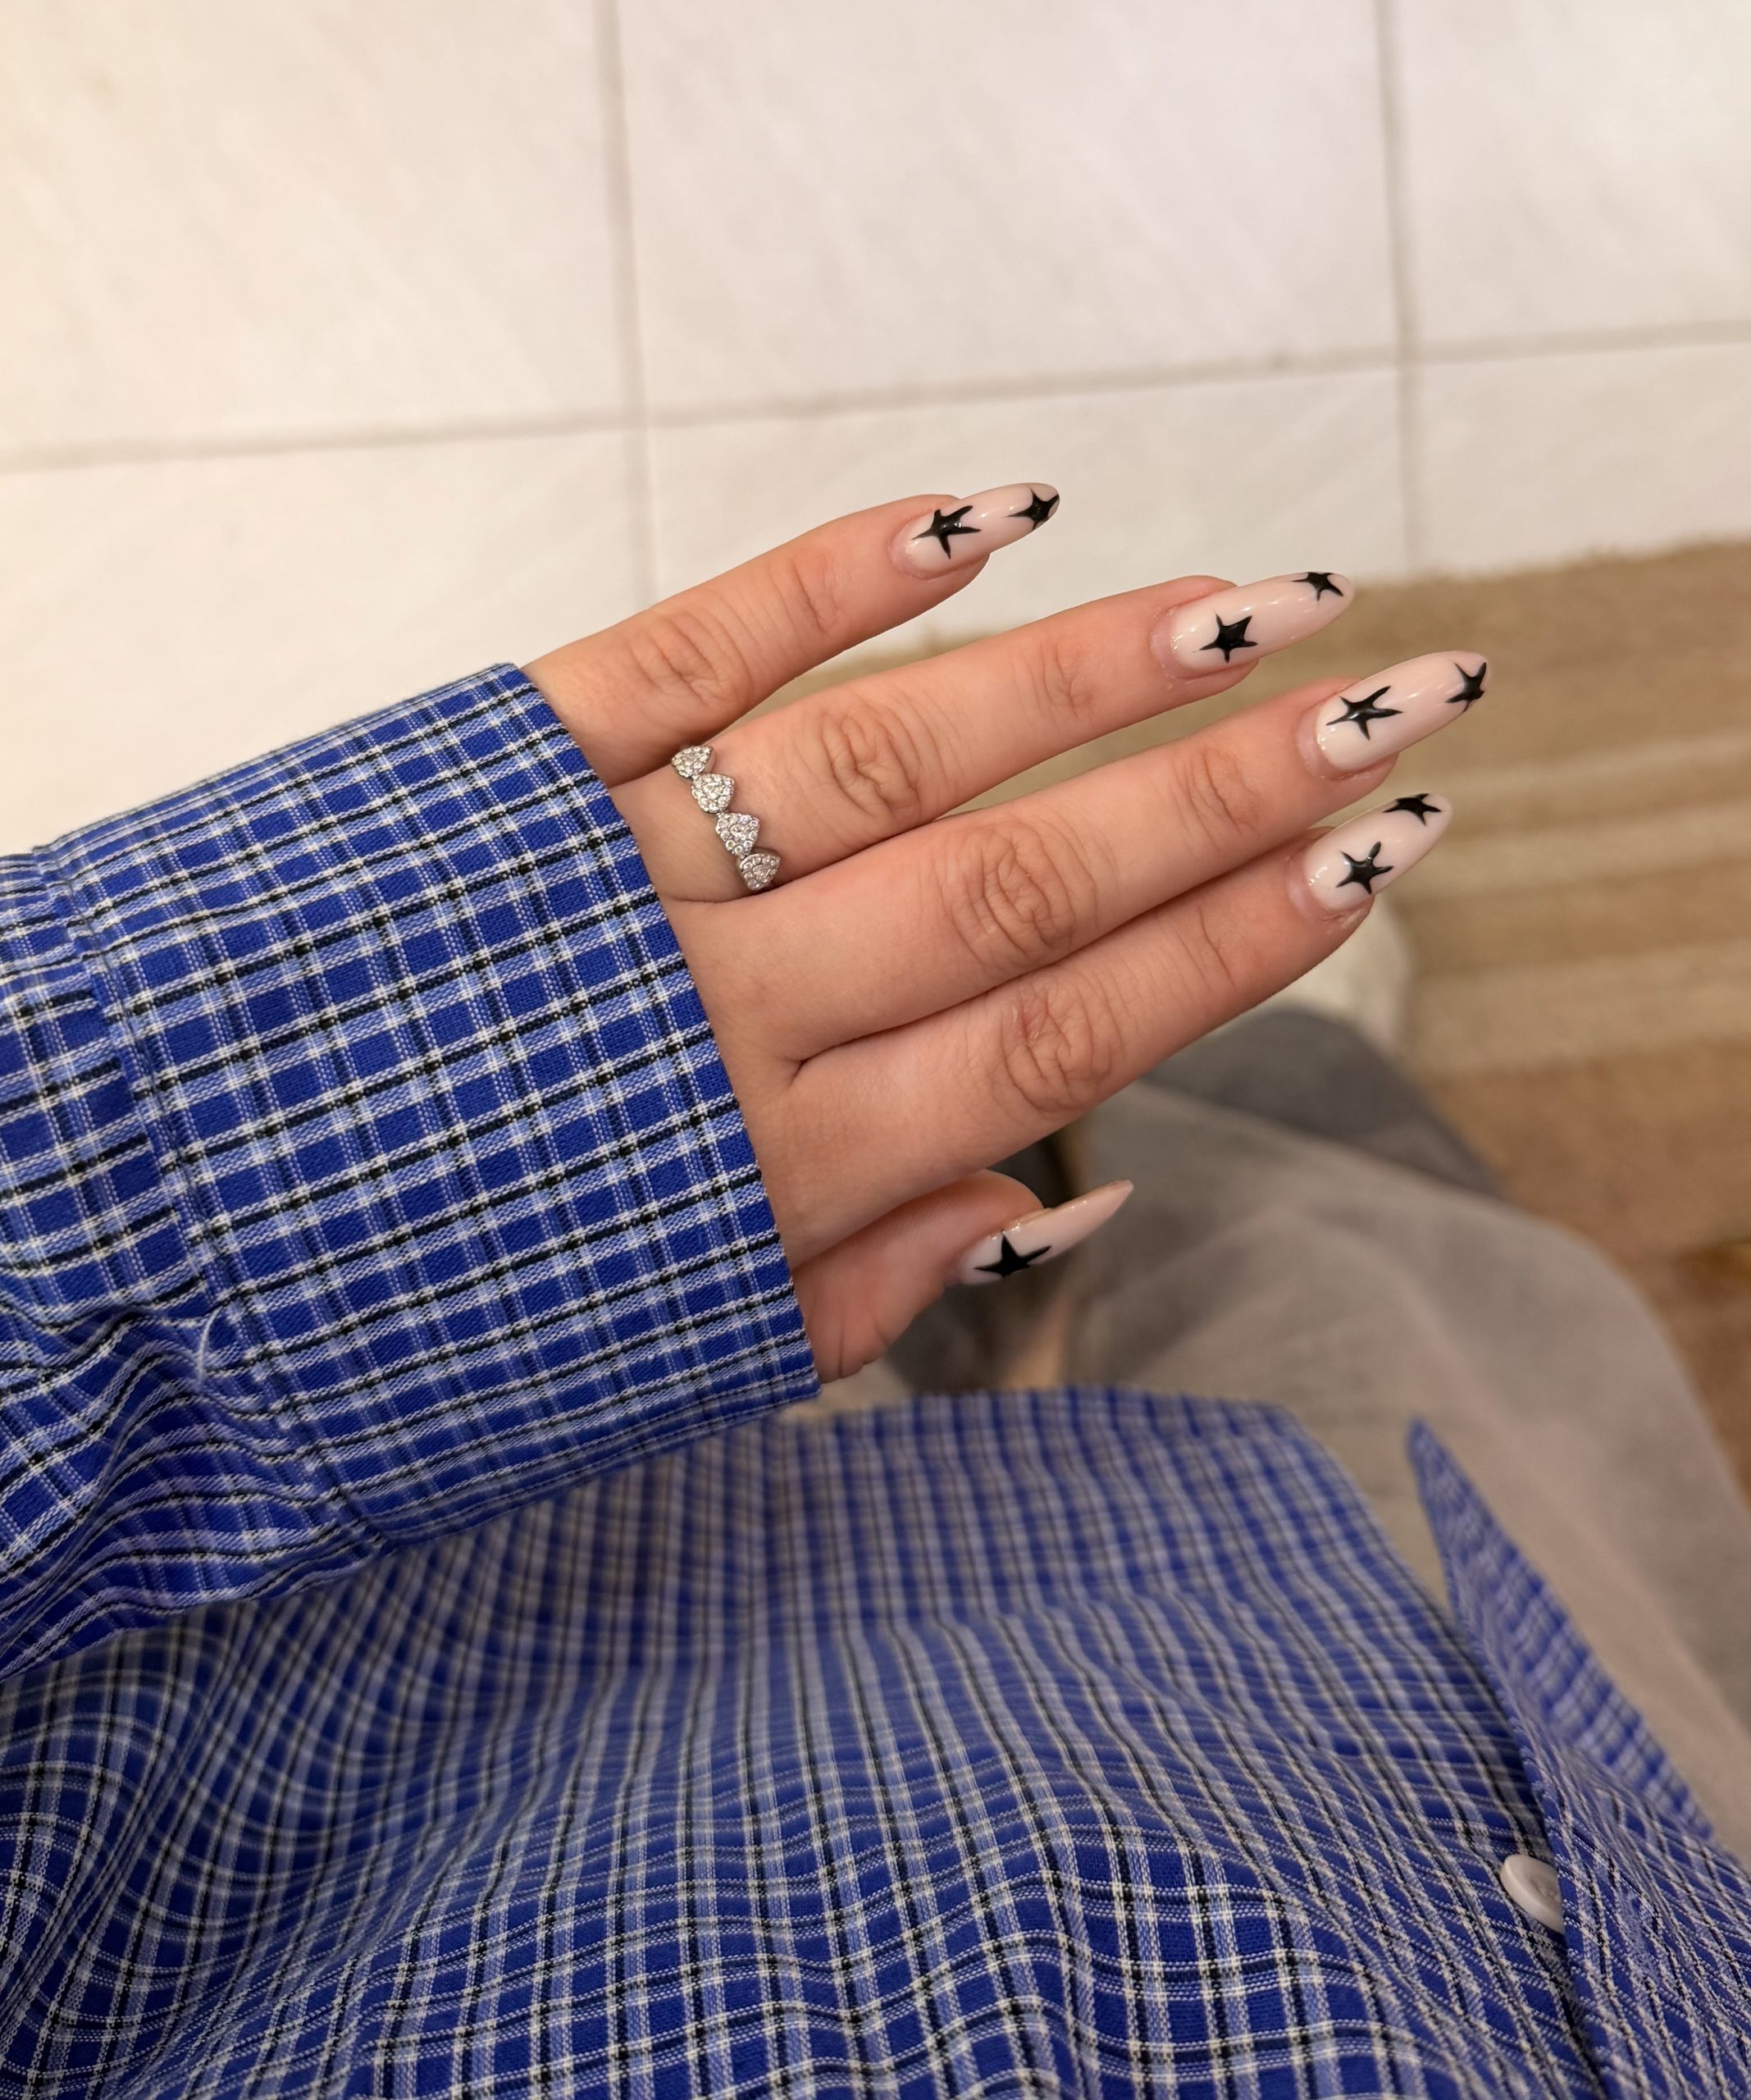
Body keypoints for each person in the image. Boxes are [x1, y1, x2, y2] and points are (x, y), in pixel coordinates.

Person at [2, 487, 1747, 2094]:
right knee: (1345, 1271)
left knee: (783, 1337)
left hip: (384, 1761)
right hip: (1510, 1925)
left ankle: (1003, 1145)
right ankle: (1184, 1095)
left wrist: (149, 1184)